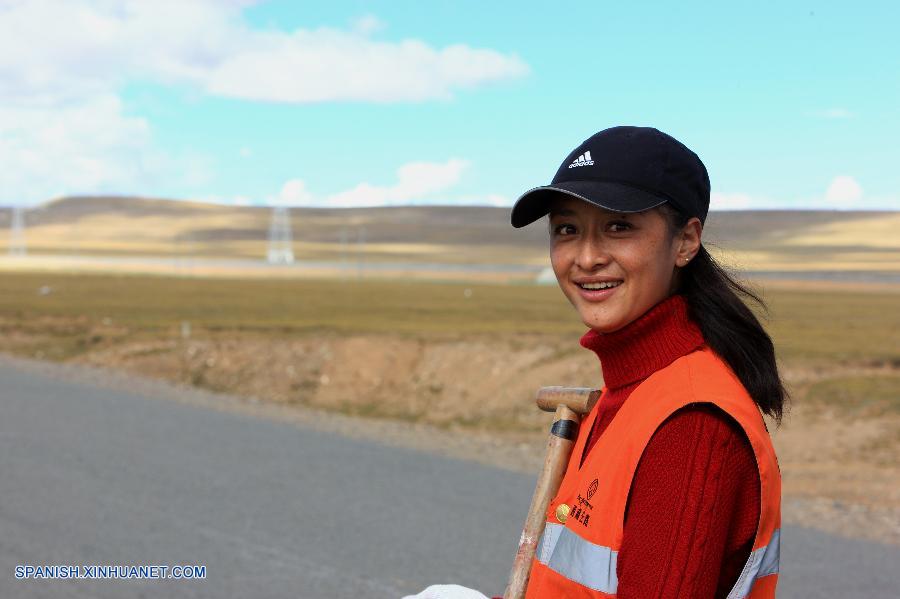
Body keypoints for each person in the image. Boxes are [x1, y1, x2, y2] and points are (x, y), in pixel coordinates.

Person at [404, 126, 786, 599]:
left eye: (619, 226)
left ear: (686, 241)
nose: (586, 257)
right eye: (567, 230)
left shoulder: (691, 427)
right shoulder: (629, 395)